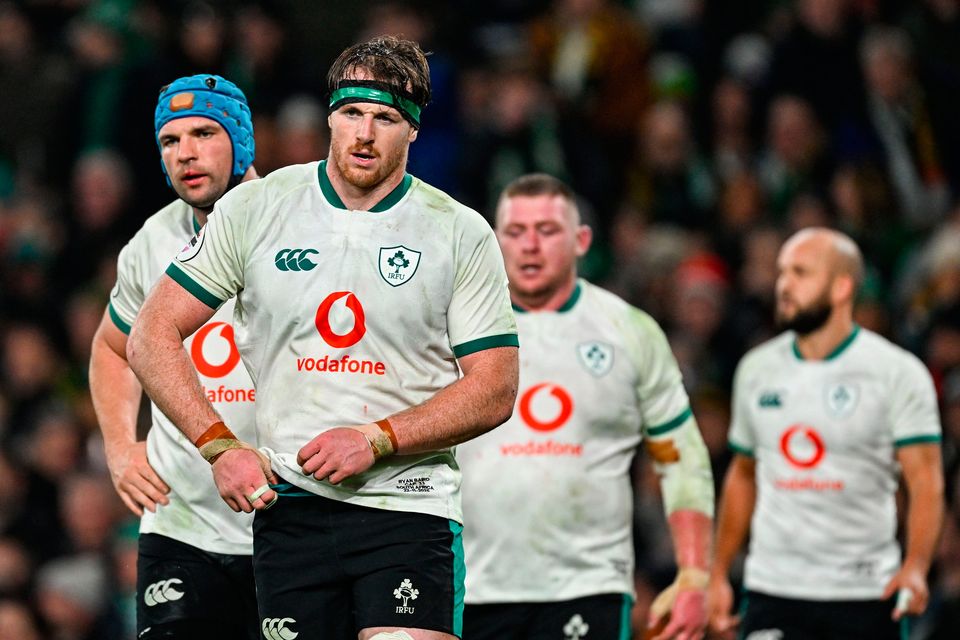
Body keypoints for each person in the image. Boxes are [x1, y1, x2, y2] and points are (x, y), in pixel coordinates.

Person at [126, 36, 519, 640]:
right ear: (330, 114)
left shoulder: (459, 233)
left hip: (407, 507)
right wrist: (220, 446)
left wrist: (378, 438)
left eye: (385, 118)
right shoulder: (258, 209)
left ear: (413, 130)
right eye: (351, 113)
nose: (365, 133)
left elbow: (495, 388)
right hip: (291, 511)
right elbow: (150, 334)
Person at [457, 173, 715, 640]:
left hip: (588, 585)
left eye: (548, 231)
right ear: (494, 240)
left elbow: (682, 457)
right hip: (469, 584)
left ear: (581, 240)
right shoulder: (452, 328)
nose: (530, 246)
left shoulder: (629, 331)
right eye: (515, 232)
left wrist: (695, 573)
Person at [708, 228, 944, 640]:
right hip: (774, 587)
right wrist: (718, 573)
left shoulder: (896, 373)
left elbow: (925, 480)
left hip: (865, 591)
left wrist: (917, 567)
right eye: (782, 272)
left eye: (801, 273)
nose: (784, 284)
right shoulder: (756, 369)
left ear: (842, 287)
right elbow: (743, 474)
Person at [89, 74, 260, 639]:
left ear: (242, 140)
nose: (185, 152)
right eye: (169, 140)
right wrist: (119, 447)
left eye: (205, 133)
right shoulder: (151, 242)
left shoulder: (298, 222)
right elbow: (113, 348)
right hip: (182, 527)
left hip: (295, 522)